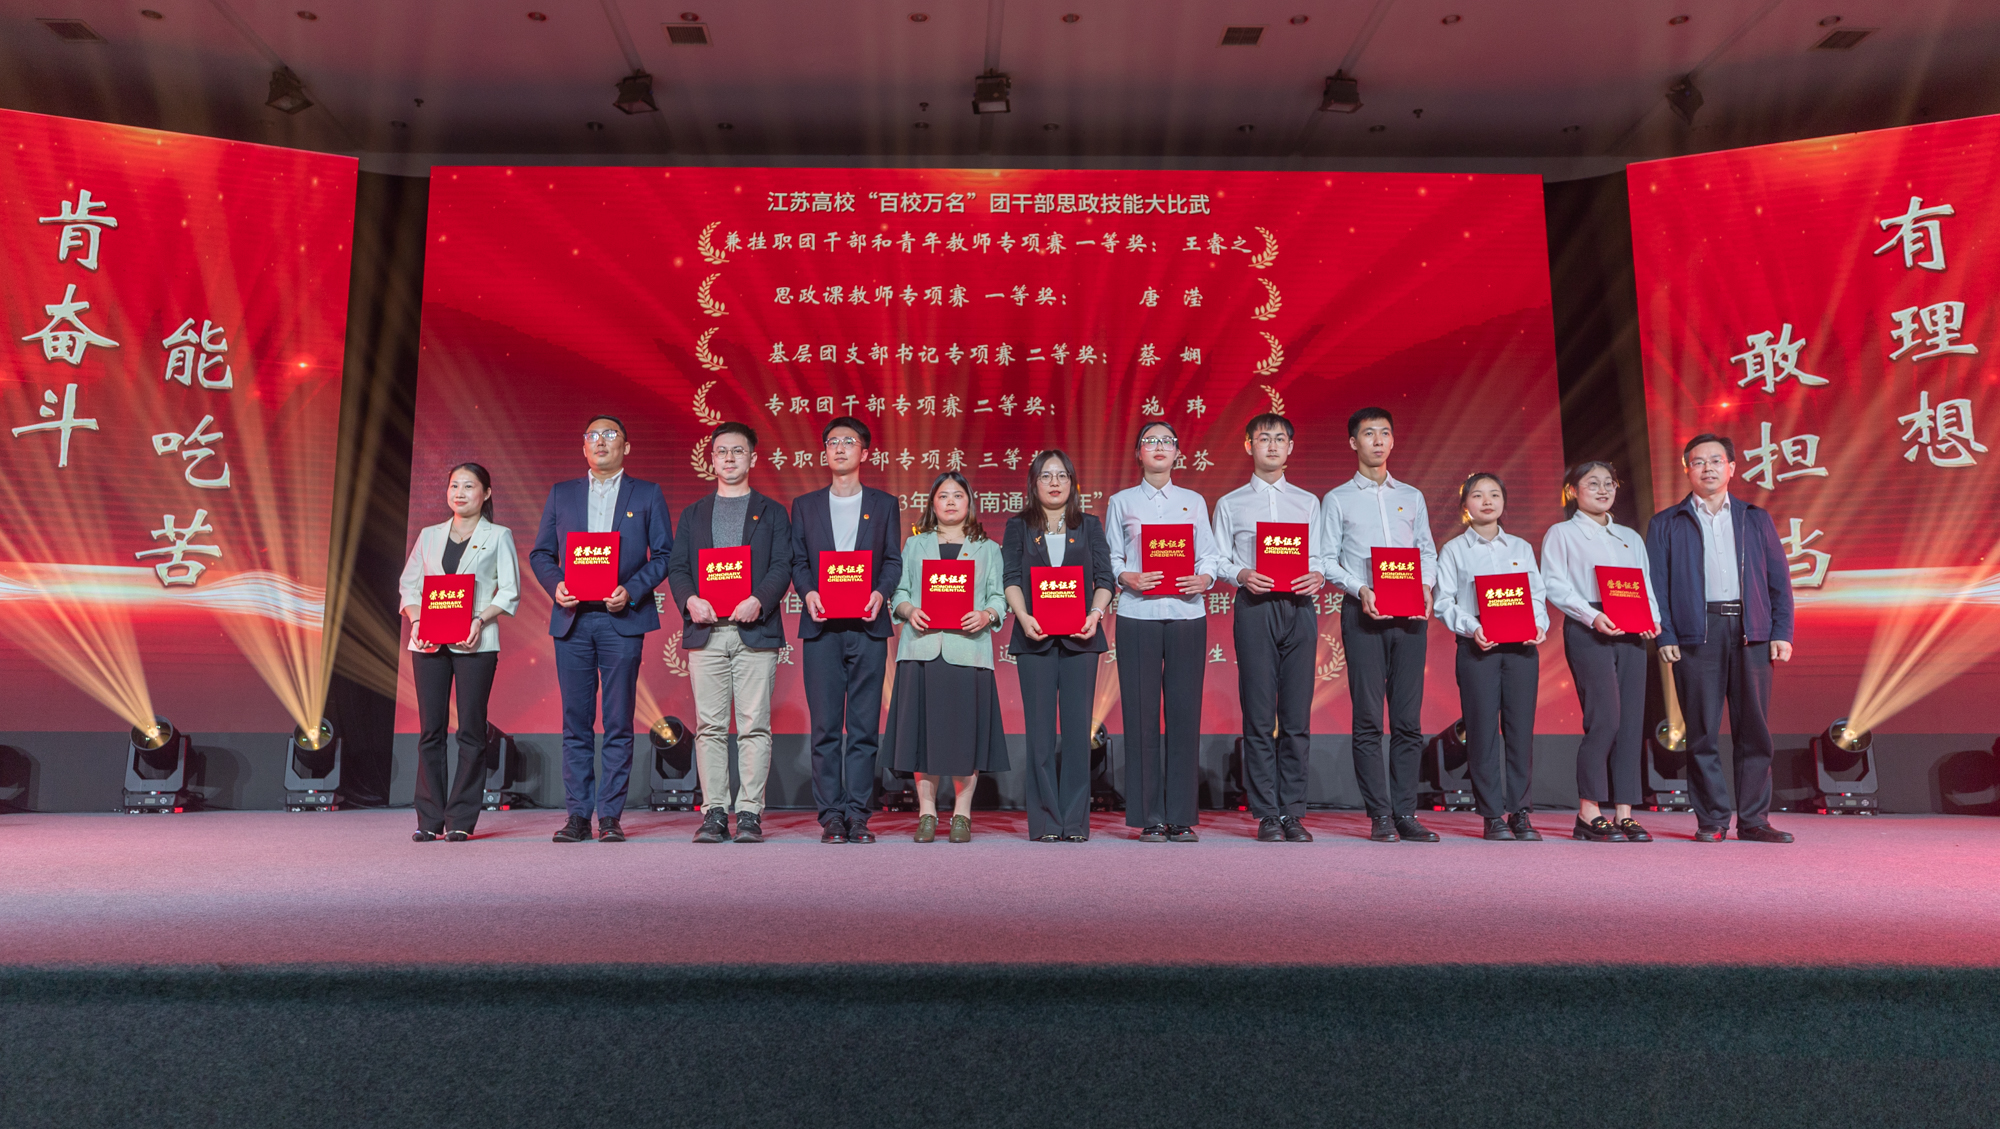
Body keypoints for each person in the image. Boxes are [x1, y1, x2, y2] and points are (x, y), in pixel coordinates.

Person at [528, 415, 674, 844]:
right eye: (592, 435)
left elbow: (664, 555)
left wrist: (631, 590)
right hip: (573, 621)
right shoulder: (562, 493)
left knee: (618, 721)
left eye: (610, 435)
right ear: (583, 447)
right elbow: (541, 554)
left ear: (626, 447)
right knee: (575, 722)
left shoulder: (646, 493)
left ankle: (610, 816)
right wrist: (557, 586)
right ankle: (577, 815)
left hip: (621, 620)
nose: (601, 441)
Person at [1647, 434, 1796, 844]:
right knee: (1701, 732)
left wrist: (1781, 631)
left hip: (1751, 632)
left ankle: (1754, 820)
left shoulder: (1754, 518)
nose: (1708, 468)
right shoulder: (1666, 523)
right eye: (1698, 462)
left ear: (1731, 468)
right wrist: (1665, 633)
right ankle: (1712, 820)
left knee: (1755, 731)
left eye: (1716, 460)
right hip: (1696, 634)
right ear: (1687, 470)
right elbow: (1655, 586)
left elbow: (1779, 580)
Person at [667, 422, 795, 845]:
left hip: (754, 630)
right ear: (711, 459)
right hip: (706, 632)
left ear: (752, 458)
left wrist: (759, 599)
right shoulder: (694, 513)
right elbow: (677, 567)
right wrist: (689, 600)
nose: (729, 458)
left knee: (755, 725)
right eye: (721, 451)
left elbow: (782, 565)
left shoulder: (772, 512)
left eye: (737, 451)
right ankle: (715, 812)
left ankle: (750, 812)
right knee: (710, 727)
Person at [1320, 407, 1440, 843]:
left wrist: (1426, 585)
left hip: (1410, 615)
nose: (1377, 440)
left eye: (1384, 433)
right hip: (1363, 613)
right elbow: (1325, 560)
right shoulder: (1337, 499)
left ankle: (1406, 812)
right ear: (1353, 443)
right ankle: (1380, 815)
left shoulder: (1411, 496)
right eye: (1368, 433)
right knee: (1369, 718)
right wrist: (1360, 589)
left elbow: (1426, 550)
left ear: (1392, 440)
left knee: (1408, 720)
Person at [1105, 421, 1221, 843]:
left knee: (1184, 715)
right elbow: (1111, 556)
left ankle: (1181, 816)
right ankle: (1148, 816)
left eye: (1166, 441)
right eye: (1150, 441)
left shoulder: (1193, 501)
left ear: (1177, 453)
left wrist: (1204, 579)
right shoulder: (1121, 502)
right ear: (1138, 453)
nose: (1158, 447)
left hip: (1187, 615)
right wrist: (1127, 577)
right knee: (1140, 716)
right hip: (1138, 615)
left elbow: (1209, 556)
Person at [1212, 413, 1325, 843]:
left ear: (1290, 447)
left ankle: (1292, 812)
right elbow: (1217, 558)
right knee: (1259, 715)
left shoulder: (1308, 502)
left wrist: (1317, 573)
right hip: (1255, 607)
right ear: (1249, 446)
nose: (1273, 445)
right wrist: (1241, 573)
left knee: (1296, 715)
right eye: (1264, 438)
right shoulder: (1231, 503)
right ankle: (1265, 814)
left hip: (1299, 607)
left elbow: (1320, 555)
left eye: (1280, 439)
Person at [790, 416, 902, 844]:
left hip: (868, 626)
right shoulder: (805, 505)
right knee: (824, 727)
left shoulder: (884, 504)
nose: (839, 448)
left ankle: (858, 814)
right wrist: (808, 592)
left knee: (863, 727)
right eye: (832, 441)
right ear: (824, 453)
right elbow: (799, 561)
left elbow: (892, 560)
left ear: (865, 453)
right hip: (821, 628)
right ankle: (831, 816)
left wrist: (880, 593)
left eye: (849, 441)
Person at [397, 463, 521, 842]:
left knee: (470, 730)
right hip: (428, 642)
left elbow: (509, 590)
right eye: (454, 486)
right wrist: (418, 621)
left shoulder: (498, 535)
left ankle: (461, 819)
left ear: (486, 493)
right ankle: (429, 818)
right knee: (430, 731)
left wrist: (479, 620)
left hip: (476, 642)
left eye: (469, 486)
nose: (460, 493)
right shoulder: (429, 535)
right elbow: (409, 585)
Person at [884, 472, 1008, 843]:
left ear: (970, 502)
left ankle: (961, 815)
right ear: (932, 503)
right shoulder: (915, 544)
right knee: (923, 736)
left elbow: (998, 597)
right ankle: (926, 813)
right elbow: (899, 592)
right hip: (922, 649)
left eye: (958, 495)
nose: (950, 502)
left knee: (964, 737)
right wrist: (909, 610)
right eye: (943, 496)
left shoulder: (988, 548)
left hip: (968, 651)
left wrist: (986, 615)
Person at [1541, 461, 1661, 843]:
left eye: (1609, 483)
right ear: (1573, 491)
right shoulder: (1562, 533)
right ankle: (1588, 811)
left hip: (1631, 627)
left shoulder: (1629, 537)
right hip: (1588, 626)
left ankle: (1624, 813)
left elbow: (1644, 583)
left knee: (1630, 722)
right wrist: (1592, 616)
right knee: (1605, 718)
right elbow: (1554, 584)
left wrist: (1653, 619)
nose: (1603, 489)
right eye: (1593, 483)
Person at [1002, 450, 1114, 842]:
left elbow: (1104, 579)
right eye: (1046, 475)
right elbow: (1011, 577)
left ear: (1072, 482)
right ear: (1033, 483)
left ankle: (1075, 822)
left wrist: (1094, 615)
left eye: (1062, 475)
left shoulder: (1089, 525)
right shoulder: (1018, 526)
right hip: (1034, 639)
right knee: (1040, 734)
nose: (1054, 482)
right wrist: (1023, 616)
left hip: (1081, 639)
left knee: (1079, 731)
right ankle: (1047, 822)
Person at [1433, 473, 1548, 841]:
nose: (1487, 501)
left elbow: (1536, 595)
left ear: (1503, 502)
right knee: (1482, 731)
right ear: (1465, 505)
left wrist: (1539, 625)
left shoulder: (1520, 548)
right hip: (1477, 647)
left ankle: (1520, 812)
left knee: (1520, 732)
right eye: (1478, 495)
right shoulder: (1454, 550)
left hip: (1521, 649)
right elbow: (1442, 602)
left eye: (1494, 494)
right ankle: (1491, 814)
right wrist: (1472, 627)